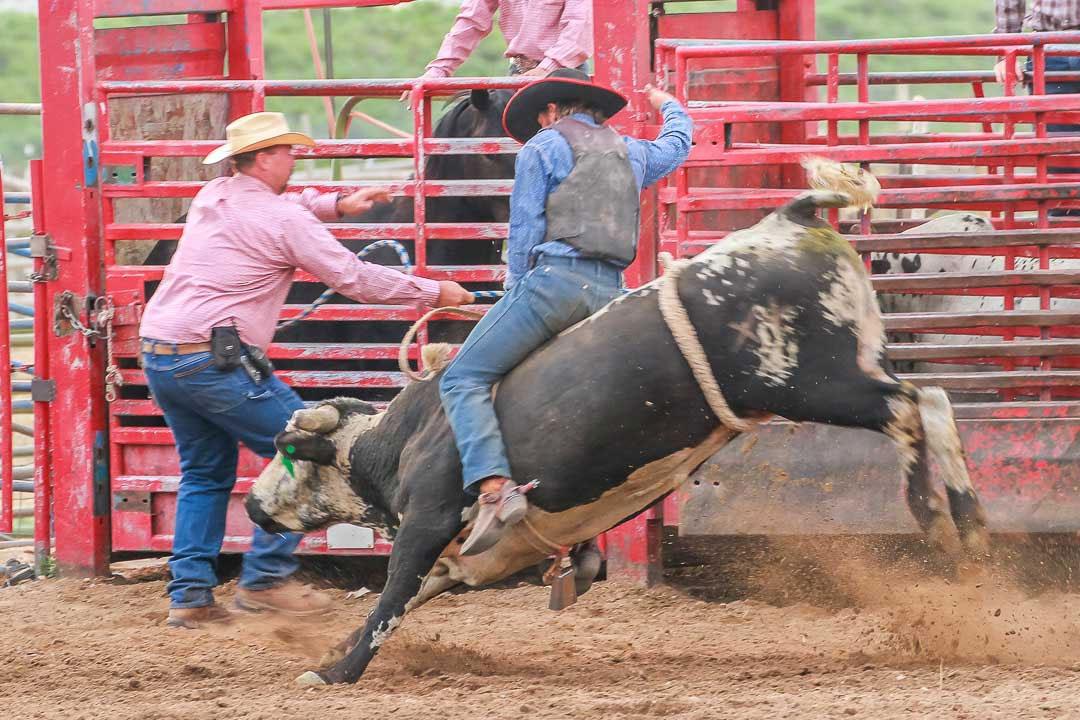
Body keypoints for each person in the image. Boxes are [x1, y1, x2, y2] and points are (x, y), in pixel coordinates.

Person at [139, 111, 473, 629]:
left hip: (162, 352)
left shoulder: (215, 197)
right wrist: (434, 292)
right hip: (214, 357)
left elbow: (286, 204)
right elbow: (353, 277)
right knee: (308, 453)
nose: (295, 158)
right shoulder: (282, 220)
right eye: (288, 151)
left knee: (205, 471)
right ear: (267, 156)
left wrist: (337, 203)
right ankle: (265, 581)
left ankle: (190, 594)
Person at [438, 68, 693, 555]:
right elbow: (678, 145)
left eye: (541, 116)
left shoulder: (541, 148)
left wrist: (516, 293)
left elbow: (524, 231)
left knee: (462, 379)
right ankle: (581, 532)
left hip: (551, 287)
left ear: (553, 109)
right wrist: (668, 104)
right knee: (580, 407)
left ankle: (494, 488)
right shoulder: (633, 151)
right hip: (610, 298)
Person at [399, 0, 591, 105]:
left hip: (564, 72)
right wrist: (438, 70)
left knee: (568, 148)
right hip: (520, 73)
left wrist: (548, 67)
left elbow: (580, 25)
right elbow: (471, 20)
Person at [994, 1, 1080, 214]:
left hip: (1051, 47)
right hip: (1051, 47)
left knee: (1060, 160)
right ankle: (1064, 238)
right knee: (1059, 161)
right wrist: (1008, 47)